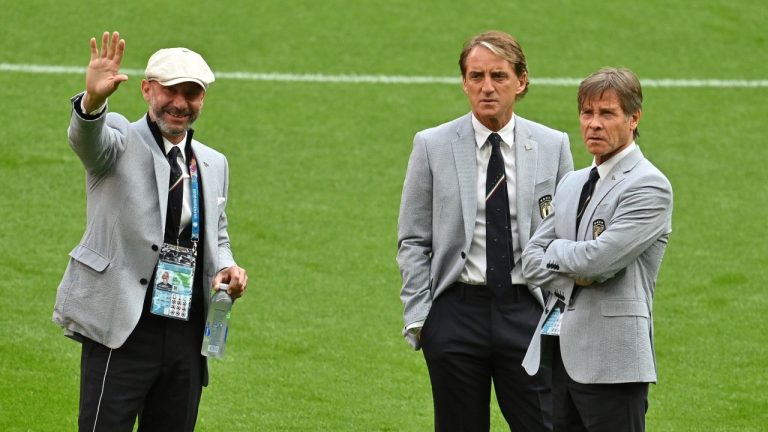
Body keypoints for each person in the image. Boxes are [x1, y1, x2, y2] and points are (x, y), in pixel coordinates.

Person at [52, 31, 249, 431]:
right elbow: (86, 140)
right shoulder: (120, 139)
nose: (180, 104)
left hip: (186, 331)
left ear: (202, 98)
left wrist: (227, 266)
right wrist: (93, 102)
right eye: (170, 91)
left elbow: (217, 233)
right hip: (123, 327)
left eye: (191, 93)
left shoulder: (213, 163)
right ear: (146, 90)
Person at [397, 30, 573, 431]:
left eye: (498, 76)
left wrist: (558, 314)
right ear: (464, 82)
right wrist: (422, 317)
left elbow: (566, 237)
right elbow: (412, 239)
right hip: (456, 314)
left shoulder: (552, 145)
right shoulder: (431, 145)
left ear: (521, 81)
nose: (487, 87)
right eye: (476, 77)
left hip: (527, 311)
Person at [520, 67, 673, 431]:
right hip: (559, 355)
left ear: (634, 118)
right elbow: (529, 262)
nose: (593, 124)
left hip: (613, 364)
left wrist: (556, 251)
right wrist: (571, 258)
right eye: (587, 113)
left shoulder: (650, 186)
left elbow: (598, 262)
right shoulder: (572, 182)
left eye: (607, 114)